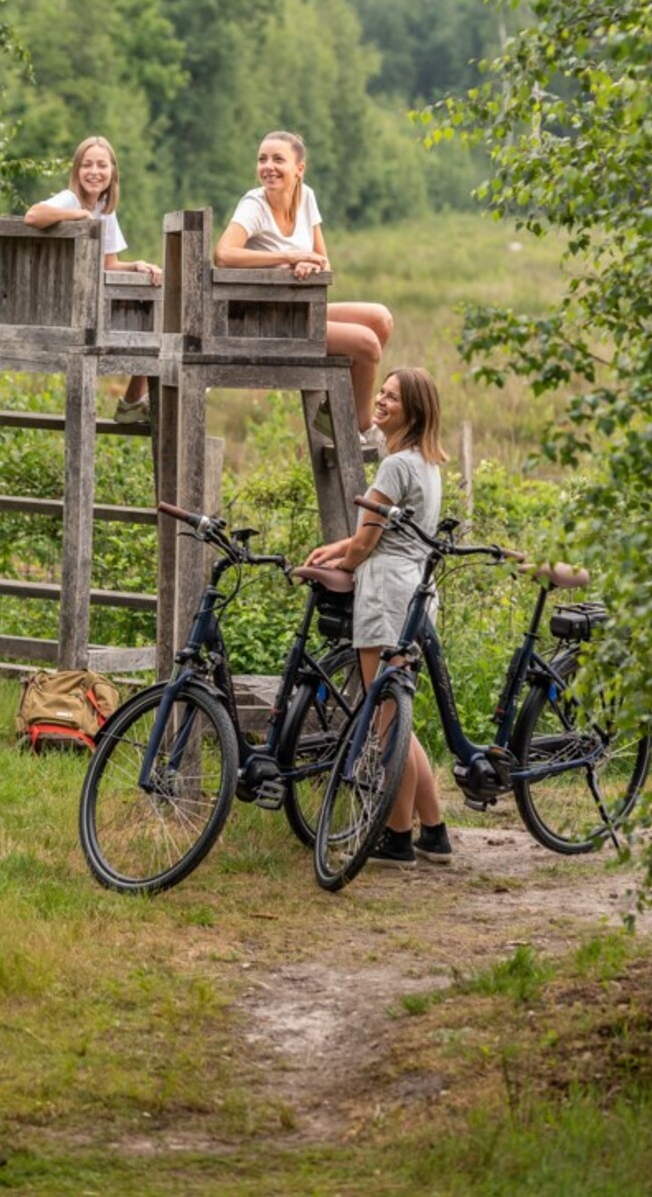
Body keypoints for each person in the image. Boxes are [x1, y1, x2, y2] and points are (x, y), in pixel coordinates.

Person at [305, 366, 453, 872]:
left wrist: (338, 566)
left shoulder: (393, 468)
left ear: (413, 410)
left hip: (387, 593)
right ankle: (433, 832)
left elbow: (370, 543)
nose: (383, 401)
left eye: (392, 397)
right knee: (401, 720)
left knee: (386, 721)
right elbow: (390, 533)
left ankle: (396, 838)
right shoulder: (425, 464)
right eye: (382, 393)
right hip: (414, 590)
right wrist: (340, 547)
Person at [213, 130, 394, 447]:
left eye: (278, 159)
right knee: (366, 344)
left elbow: (323, 259)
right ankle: (361, 424)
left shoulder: (306, 197)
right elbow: (224, 255)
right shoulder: (253, 205)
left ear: (299, 168)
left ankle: (331, 412)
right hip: (265, 323)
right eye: (262, 159)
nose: (268, 166)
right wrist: (289, 256)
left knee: (381, 318)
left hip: (300, 313)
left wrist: (311, 265)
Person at [24, 136, 161, 424]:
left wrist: (136, 265)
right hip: (64, 305)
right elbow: (33, 215)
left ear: (112, 172)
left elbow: (109, 265)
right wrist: (77, 215)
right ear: (76, 171)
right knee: (150, 326)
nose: (94, 172)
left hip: (86, 300)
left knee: (155, 321)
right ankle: (134, 402)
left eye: (101, 165)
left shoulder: (105, 210)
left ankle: (134, 401)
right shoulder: (70, 199)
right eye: (87, 165)